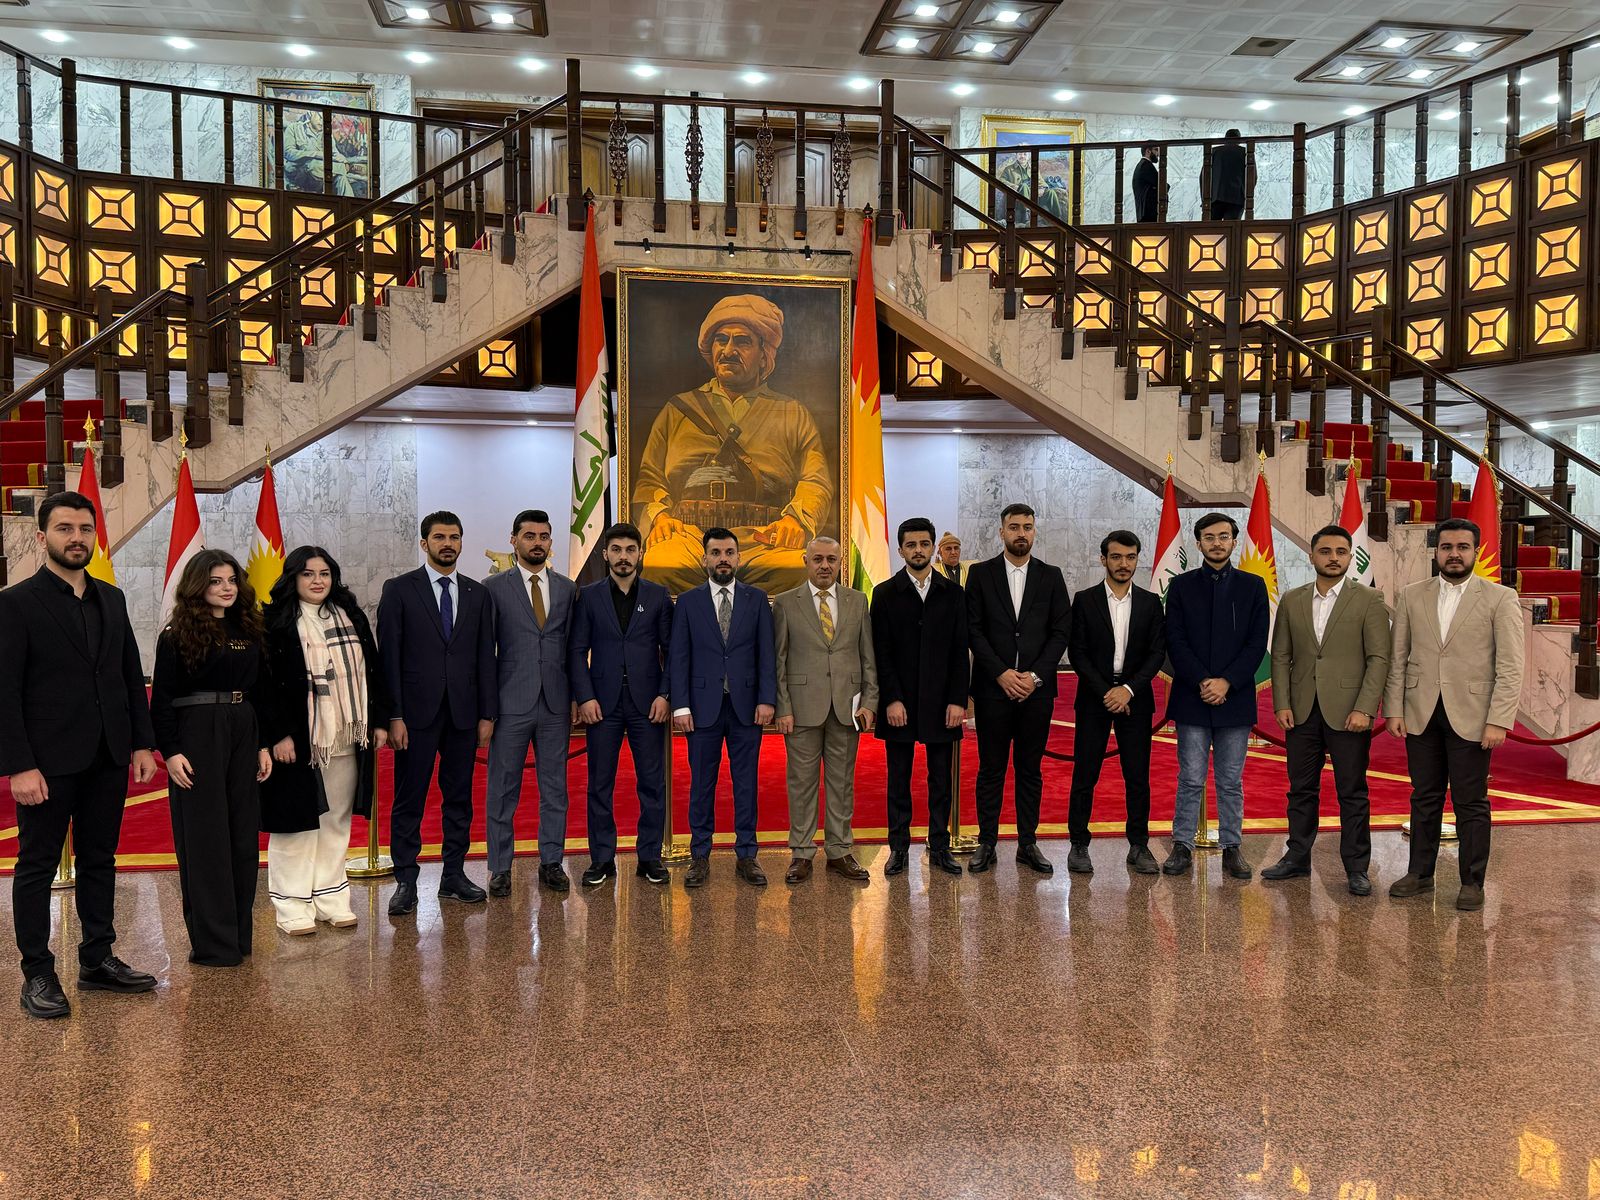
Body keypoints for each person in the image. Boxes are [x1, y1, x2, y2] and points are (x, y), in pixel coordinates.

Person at [0, 492, 159, 1019]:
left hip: (108, 755)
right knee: (36, 866)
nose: (77, 538)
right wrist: (19, 765)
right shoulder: (16, 602)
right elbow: (5, 691)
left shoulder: (111, 598)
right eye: (65, 528)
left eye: (85, 529)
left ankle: (96, 959)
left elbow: (127, 676)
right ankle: (38, 973)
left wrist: (141, 742)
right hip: (45, 762)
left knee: (100, 860)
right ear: (42, 536)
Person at [633, 294, 834, 594]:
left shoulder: (793, 413)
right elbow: (650, 478)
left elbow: (815, 481)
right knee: (662, 563)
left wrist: (795, 520)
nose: (728, 350)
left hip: (762, 539)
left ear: (764, 353)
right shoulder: (677, 409)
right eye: (721, 340)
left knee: (793, 570)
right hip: (690, 537)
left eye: (742, 341)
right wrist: (659, 517)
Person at [1384, 518, 1525, 912]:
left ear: (1476, 552)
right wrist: (1394, 707)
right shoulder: (1412, 595)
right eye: (1447, 547)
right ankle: (1419, 873)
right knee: (1424, 797)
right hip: (1420, 712)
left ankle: (1472, 881)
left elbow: (1511, 666)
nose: (1454, 554)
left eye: (1463, 547)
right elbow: (1398, 657)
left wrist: (1499, 719)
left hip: (1474, 715)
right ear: (1436, 551)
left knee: (1470, 801)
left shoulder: (1500, 598)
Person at [150, 550, 274, 967]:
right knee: (205, 839)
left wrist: (262, 744)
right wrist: (170, 752)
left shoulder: (249, 629)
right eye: (216, 581)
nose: (226, 588)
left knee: (241, 835)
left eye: (231, 581)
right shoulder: (176, 634)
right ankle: (212, 944)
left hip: (243, 726)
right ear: (197, 586)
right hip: (197, 732)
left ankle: (238, 938)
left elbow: (260, 692)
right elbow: (162, 699)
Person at [259, 546, 391, 936]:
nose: (318, 581)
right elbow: (264, 685)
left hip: (348, 736)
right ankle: (291, 904)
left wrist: (378, 721)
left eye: (324, 573)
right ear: (292, 578)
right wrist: (278, 734)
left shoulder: (351, 616)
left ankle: (330, 898)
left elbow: (374, 670)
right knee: (297, 822)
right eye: (308, 574)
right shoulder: (273, 622)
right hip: (299, 740)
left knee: (336, 819)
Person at [377, 511, 498, 916]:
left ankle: (453, 876)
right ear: (424, 543)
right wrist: (392, 715)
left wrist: (487, 713)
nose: (448, 543)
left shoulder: (478, 594)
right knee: (409, 799)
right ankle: (406, 881)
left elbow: (486, 657)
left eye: (455, 537)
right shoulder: (399, 590)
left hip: (464, 715)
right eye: (440, 536)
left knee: (459, 798)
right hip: (413, 716)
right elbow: (388, 659)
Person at [1265, 526, 1391, 896]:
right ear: (1312, 556)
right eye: (1325, 551)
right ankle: (1296, 858)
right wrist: (1282, 702)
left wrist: (1366, 708)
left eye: (1340, 551)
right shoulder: (1291, 599)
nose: (1333, 557)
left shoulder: (1369, 598)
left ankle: (1356, 867)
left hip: (1349, 712)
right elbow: (1282, 656)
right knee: (1300, 789)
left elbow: (1378, 658)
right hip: (1301, 711)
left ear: (1351, 557)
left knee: (1352, 791)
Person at [964, 503, 1072, 875]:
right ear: (1001, 531)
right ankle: (987, 843)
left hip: (1036, 693)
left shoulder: (1052, 576)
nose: (1021, 533)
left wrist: (1034, 676)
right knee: (991, 770)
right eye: (1014, 527)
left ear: (1035, 532)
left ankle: (1028, 843)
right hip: (994, 691)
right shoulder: (979, 574)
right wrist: (1001, 674)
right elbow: (973, 630)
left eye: (1027, 526)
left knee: (1030, 771)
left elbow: (1061, 632)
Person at [1162, 512, 1269, 880]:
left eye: (1224, 536)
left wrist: (1227, 682)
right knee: (1190, 776)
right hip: (1192, 697)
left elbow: (1257, 644)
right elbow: (1174, 641)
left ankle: (1232, 848)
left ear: (1234, 541)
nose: (1217, 543)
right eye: (1209, 537)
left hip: (1235, 698)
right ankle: (1181, 846)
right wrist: (1203, 682)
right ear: (1198, 543)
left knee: (1229, 780)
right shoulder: (1181, 586)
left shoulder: (1253, 587)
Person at [669, 526, 776, 887]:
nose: (723, 559)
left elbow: (767, 654)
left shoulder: (757, 599)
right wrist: (680, 705)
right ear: (705, 559)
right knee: (702, 783)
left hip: (747, 708)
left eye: (729, 552)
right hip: (701, 709)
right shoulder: (687, 601)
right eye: (716, 553)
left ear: (739, 558)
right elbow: (678, 656)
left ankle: (747, 854)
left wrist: (767, 698)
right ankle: (700, 856)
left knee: (746, 783)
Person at [570, 522, 674, 887]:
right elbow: (576, 650)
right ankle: (601, 858)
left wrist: (665, 695)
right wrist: (584, 696)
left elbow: (671, 651)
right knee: (600, 783)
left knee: (652, 783)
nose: (624, 556)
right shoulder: (589, 596)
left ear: (640, 553)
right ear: (606, 554)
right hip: (602, 704)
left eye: (631, 549)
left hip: (649, 705)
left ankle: (649, 857)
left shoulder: (659, 596)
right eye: (617, 550)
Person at [773, 537, 877, 884]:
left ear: (839, 562)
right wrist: (782, 707)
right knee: (801, 783)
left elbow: (868, 658)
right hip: (801, 709)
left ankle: (839, 850)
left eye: (831, 559)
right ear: (805, 561)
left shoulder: (857, 601)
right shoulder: (787, 603)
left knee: (841, 782)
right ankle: (801, 853)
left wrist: (870, 702)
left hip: (846, 709)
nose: (824, 566)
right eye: (817, 559)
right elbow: (779, 660)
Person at [483, 509, 576, 895]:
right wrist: (487, 709)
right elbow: (484, 653)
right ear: (513, 540)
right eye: (529, 536)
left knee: (555, 788)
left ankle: (551, 862)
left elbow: (573, 648)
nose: (537, 542)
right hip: (510, 703)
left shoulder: (569, 588)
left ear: (551, 542)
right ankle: (500, 868)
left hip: (555, 704)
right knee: (502, 789)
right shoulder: (493, 588)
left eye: (544, 536)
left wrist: (575, 698)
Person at [871, 517, 969, 878]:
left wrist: (958, 700)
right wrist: (891, 699)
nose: (918, 550)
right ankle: (898, 848)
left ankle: (940, 846)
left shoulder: (953, 594)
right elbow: (880, 652)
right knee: (899, 779)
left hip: (943, 704)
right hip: (900, 704)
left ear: (933, 548)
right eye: (910, 545)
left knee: (940, 779)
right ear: (900, 550)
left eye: (924, 544)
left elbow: (961, 650)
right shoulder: (884, 593)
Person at [1065, 530, 1167, 875]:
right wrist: (1107, 692)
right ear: (1103, 559)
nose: (1124, 564)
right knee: (1085, 774)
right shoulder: (1084, 599)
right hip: (1095, 699)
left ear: (1137, 559)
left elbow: (1156, 653)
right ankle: (1078, 844)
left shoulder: (1152, 603)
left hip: (1135, 700)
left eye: (1130, 557)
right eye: (1117, 557)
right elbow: (1076, 652)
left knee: (1137, 776)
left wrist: (1128, 690)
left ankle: (1139, 845)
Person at [1202, 129, 1252, 220]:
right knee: (1232, 230)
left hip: (1215, 198)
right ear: (1240, 140)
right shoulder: (1246, 152)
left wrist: (1204, 199)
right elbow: (1252, 177)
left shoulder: (1214, 151)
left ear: (1225, 138)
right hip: (1237, 198)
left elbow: (1204, 177)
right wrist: (1247, 197)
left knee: (1213, 231)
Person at [1132, 142, 1162, 222]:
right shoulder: (1146, 166)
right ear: (1148, 151)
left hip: (1145, 213)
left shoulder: (1143, 165)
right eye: (1156, 150)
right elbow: (1161, 184)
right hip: (1148, 213)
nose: (1158, 154)